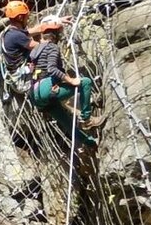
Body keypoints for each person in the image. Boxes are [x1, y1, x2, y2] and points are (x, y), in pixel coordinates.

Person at [28, 13, 104, 141]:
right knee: (85, 82)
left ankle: (89, 144)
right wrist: (71, 81)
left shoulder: (35, 50)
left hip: (35, 93)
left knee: (67, 123)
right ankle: (87, 119)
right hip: (46, 88)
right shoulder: (52, 47)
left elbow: (36, 70)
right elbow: (52, 69)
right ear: (56, 33)